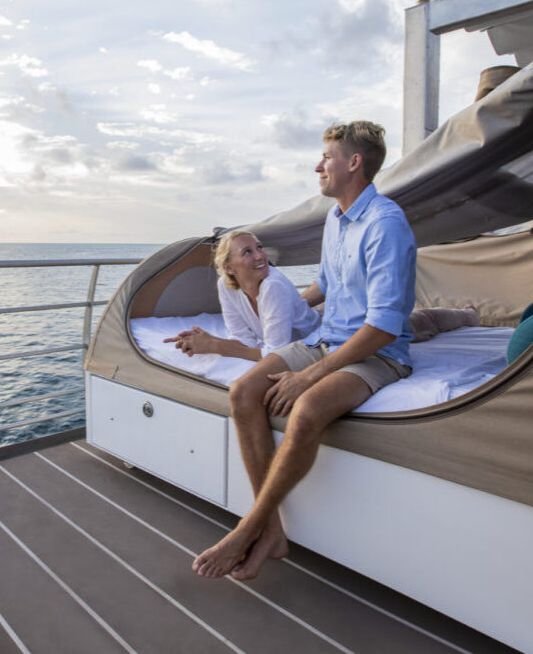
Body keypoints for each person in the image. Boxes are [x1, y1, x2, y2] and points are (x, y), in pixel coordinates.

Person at [192, 120, 416, 581]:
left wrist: (309, 375)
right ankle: (272, 532)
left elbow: (384, 326)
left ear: (353, 163)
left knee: (308, 408)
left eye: (327, 158)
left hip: (377, 353)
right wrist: (282, 297)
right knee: (243, 392)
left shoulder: (384, 224)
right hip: (325, 339)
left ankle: (249, 526)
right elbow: (325, 287)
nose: (319, 166)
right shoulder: (335, 219)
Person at [163, 229, 320, 361]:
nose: (260, 256)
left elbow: (277, 353)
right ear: (229, 268)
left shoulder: (273, 286)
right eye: (247, 252)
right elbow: (242, 337)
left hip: (316, 345)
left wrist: (214, 345)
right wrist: (202, 342)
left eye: (259, 247)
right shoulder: (226, 286)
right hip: (286, 349)